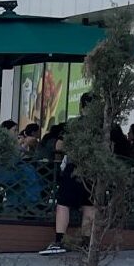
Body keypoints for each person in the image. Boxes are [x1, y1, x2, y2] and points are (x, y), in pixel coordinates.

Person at [41, 94, 96, 256]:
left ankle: (60, 240)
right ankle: (86, 243)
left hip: (74, 167)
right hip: (95, 169)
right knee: (89, 204)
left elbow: (59, 145)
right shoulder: (103, 126)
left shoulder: (73, 124)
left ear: (81, 106)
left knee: (63, 203)